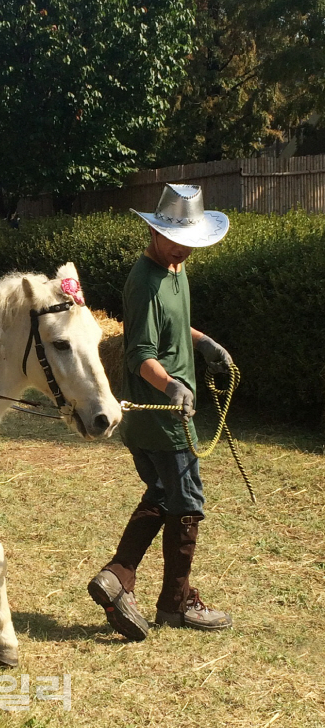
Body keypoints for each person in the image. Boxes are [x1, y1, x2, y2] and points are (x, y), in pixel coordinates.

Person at [88, 183, 234, 639]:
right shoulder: (145, 281)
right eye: (177, 240)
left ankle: (118, 577)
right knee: (185, 499)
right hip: (160, 412)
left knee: (163, 493)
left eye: (191, 242)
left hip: (167, 412)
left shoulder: (174, 268)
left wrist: (203, 342)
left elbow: (172, 326)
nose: (184, 249)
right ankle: (174, 604)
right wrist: (171, 384)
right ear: (155, 232)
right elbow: (140, 353)